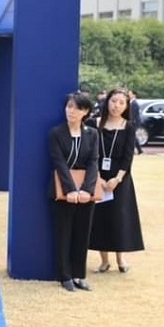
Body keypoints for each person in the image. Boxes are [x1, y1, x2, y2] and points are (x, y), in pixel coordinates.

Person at [89, 88, 144, 273]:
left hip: (120, 179)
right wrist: (97, 178)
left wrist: (117, 179)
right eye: (114, 101)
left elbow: (128, 157)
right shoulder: (94, 124)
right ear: (107, 102)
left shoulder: (128, 126)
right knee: (100, 217)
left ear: (126, 106)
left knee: (120, 217)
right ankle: (104, 260)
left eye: (121, 102)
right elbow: (89, 154)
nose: (116, 106)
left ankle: (121, 258)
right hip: (97, 177)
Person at [49, 92, 100, 292]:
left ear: (85, 112)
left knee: (82, 232)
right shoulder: (55, 133)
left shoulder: (92, 134)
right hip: (63, 190)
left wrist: (87, 189)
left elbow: (93, 161)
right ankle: (65, 275)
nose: (71, 111)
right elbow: (58, 162)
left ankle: (79, 274)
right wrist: (71, 189)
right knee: (64, 232)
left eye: (77, 108)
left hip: (86, 192)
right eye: (69, 106)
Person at [128, 90, 143, 154]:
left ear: (134, 95)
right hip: (132, 122)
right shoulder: (131, 102)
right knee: (133, 136)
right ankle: (139, 150)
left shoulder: (134, 103)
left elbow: (133, 114)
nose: (129, 95)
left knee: (132, 136)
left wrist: (131, 122)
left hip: (134, 122)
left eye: (130, 94)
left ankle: (137, 150)